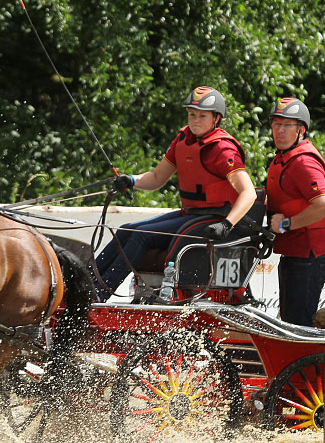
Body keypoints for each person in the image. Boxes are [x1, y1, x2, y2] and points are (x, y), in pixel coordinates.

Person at [92, 86, 257, 301]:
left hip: (214, 218)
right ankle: (86, 285)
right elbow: (157, 178)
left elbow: (249, 193)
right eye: (192, 114)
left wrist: (227, 224)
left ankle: (99, 295)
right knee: (125, 230)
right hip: (190, 214)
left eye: (202, 116)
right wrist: (131, 180)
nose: (195, 120)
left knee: (141, 236)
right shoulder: (182, 140)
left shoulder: (222, 149)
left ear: (216, 119)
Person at [265, 97, 325, 327]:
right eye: (276, 124)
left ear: (301, 130)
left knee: (298, 325)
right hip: (295, 254)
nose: (279, 131)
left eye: (287, 125)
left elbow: (324, 206)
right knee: (290, 323)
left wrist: (285, 225)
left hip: (309, 257)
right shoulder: (283, 158)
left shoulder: (303, 161)